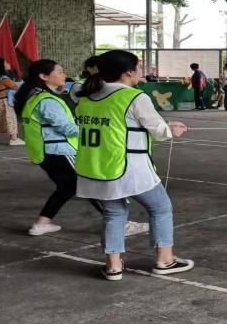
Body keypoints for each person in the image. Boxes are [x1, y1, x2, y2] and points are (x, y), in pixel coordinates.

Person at [75, 50, 193, 279]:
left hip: (96, 166)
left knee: (113, 213)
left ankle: (113, 266)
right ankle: (165, 260)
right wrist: (171, 129)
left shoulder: (87, 97)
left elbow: (121, 125)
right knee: (160, 207)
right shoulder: (134, 96)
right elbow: (157, 130)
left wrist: (166, 126)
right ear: (128, 72)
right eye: (138, 67)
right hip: (129, 166)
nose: (140, 71)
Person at [15, 60, 147, 237]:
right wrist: (96, 130)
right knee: (92, 186)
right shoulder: (47, 101)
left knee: (67, 187)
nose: (63, 74)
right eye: (59, 71)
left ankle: (42, 223)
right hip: (61, 151)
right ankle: (121, 225)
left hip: (47, 152)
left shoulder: (35, 97)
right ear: (44, 76)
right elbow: (67, 128)